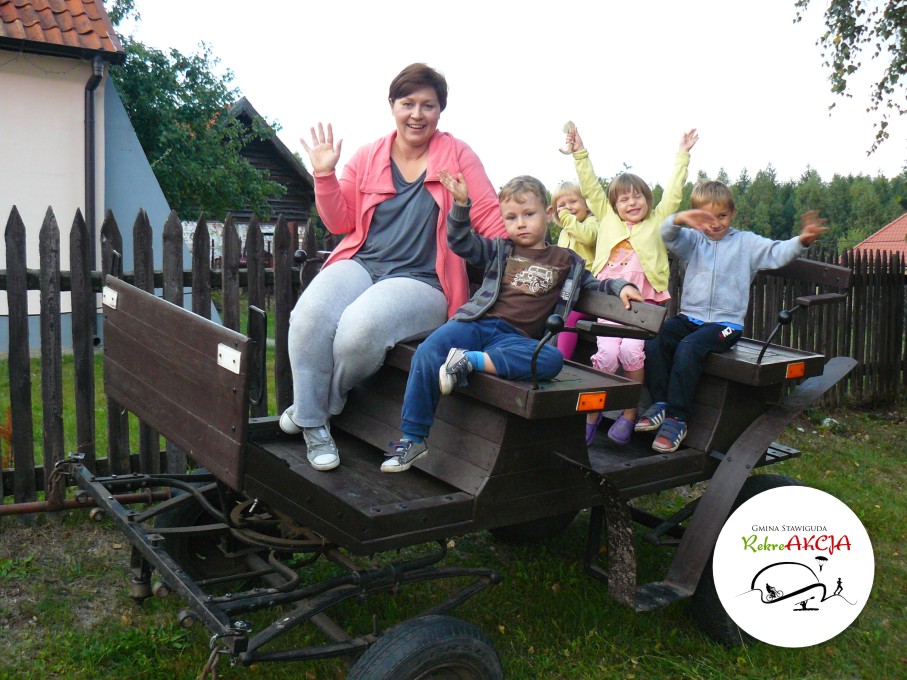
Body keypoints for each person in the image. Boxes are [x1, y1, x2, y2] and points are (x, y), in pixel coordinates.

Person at [283, 63, 506, 471]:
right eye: (408, 103)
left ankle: (317, 407)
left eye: (428, 105)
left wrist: (531, 255)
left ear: (440, 111)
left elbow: (491, 220)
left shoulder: (457, 155)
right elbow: (340, 222)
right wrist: (324, 174)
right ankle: (314, 426)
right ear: (392, 106)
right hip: (363, 262)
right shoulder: (369, 156)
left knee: (359, 331)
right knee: (308, 316)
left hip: (424, 280)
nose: (417, 114)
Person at [380, 174, 643, 472]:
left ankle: (470, 361)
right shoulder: (500, 249)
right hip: (476, 323)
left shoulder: (567, 261)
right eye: (511, 217)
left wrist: (621, 286)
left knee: (551, 359)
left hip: (516, 340)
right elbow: (460, 242)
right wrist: (461, 205)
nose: (520, 224)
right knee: (428, 351)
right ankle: (413, 438)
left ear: (549, 214)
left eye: (528, 214)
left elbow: (596, 284)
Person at [637, 181, 828, 453]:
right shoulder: (693, 241)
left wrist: (802, 240)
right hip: (691, 318)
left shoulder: (746, 243)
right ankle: (660, 404)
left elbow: (776, 252)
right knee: (657, 338)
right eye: (707, 217)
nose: (716, 224)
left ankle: (677, 419)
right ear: (696, 217)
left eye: (723, 216)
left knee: (688, 348)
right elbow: (666, 234)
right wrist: (679, 218)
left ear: (733, 213)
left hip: (725, 325)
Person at [564, 125, 697, 446]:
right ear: (614, 205)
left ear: (648, 200)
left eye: (638, 196)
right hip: (610, 304)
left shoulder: (657, 220)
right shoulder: (608, 219)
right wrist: (579, 152)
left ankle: (628, 413)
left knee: (630, 352)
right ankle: (592, 416)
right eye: (624, 199)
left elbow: (674, 193)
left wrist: (682, 155)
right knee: (607, 356)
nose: (632, 202)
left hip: (642, 307)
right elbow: (590, 186)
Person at [550, 181, 599, 361]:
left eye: (573, 202)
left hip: (589, 292)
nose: (568, 208)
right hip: (569, 291)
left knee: (568, 319)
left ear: (587, 204)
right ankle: (544, 354)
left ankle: (562, 361)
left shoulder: (593, 223)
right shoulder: (565, 233)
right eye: (561, 205)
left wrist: (568, 219)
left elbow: (588, 238)